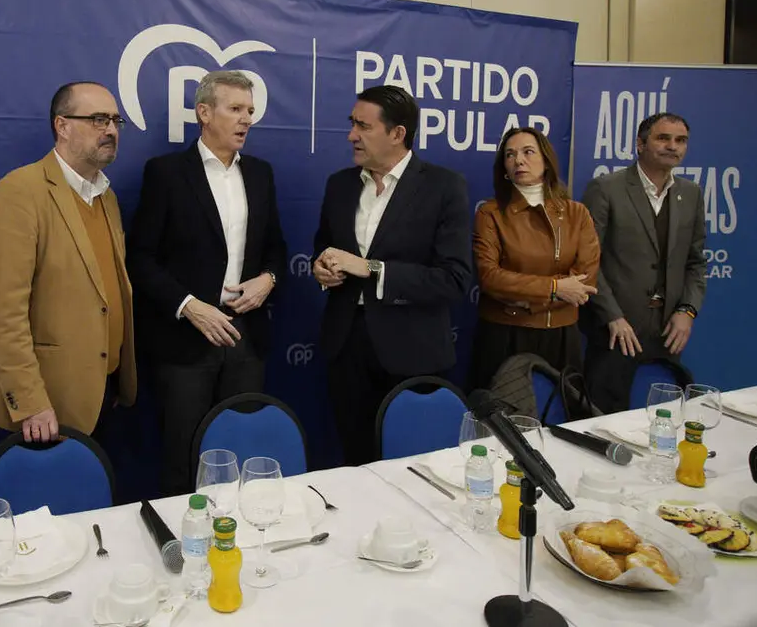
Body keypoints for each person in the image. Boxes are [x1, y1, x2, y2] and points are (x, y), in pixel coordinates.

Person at [128, 70, 286, 495]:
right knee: (184, 457)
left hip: (245, 339)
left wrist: (267, 281)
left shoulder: (261, 174)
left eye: (250, 111)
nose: (246, 119)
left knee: (242, 450)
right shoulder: (166, 173)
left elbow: (277, 249)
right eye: (235, 109)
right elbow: (140, 258)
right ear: (204, 112)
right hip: (184, 344)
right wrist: (189, 306)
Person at [312, 85, 471, 465]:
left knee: (414, 467)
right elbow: (324, 249)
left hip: (412, 352)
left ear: (397, 134)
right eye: (352, 124)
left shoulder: (444, 187)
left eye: (363, 126)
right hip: (346, 347)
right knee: (355, 461)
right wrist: (322, 270)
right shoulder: (340, 185)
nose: (352, 135)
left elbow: (454, 279)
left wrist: (371, 269)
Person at [0, 81, 136, 446]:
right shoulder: (21, 190)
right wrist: (30, 402)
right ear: (62, 126)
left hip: (102, 392)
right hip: (45, 406)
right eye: (98, 120)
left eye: (115, 120)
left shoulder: (106, 197)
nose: (111, 130)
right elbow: (4, 312)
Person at [581, 112, 706, 413]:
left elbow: (696, 263)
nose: (672, 146)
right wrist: (612, 316)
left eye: (680, 140)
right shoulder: (606, 188)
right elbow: (586, 261)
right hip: (613, 332)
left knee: (661, 423)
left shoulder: (691, 194)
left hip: (666, 334)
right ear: (640, 144)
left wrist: (687, 311)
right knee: (604, 425)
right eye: (663, 138)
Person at [469, 127, 600, 391]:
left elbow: (584, 281)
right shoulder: (490, 213)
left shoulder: (577, 213)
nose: (518, 160)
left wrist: (524, 300)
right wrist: (555, 290)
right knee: (501, 421)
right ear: (504, 168)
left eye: (528, 152)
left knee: (560, 419)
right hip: (505, 335)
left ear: (546, 160)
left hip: (562, 338)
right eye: (510, 155)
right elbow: (490, 278)